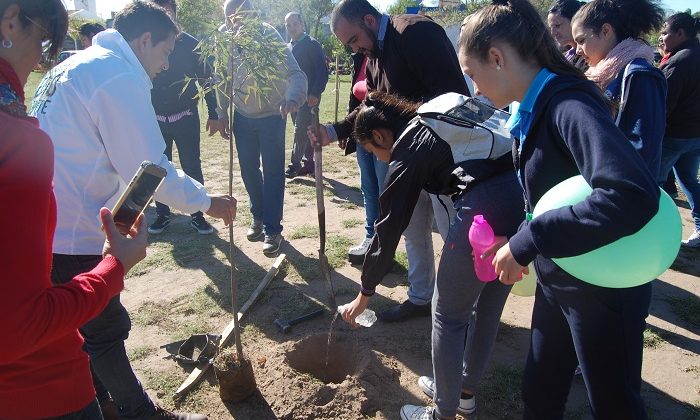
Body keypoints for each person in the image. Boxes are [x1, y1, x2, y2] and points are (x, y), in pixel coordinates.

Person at [32, 2, 237, 419]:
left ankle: (104, 403)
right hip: (73, 231)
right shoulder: (117, 76)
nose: (165, 65)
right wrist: (209, 203)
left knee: (83, 329)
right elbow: (149, 172)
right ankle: (139, 412)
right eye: (165, 52)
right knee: (104, 329)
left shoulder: (83, 64)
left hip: (48, 223)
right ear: (144, 40)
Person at [460, 1, 660, 418]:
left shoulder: (568, 105)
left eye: (473, 73)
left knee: (614, 405)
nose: (474, 88)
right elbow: (554, 192)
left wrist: (530, 239)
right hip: (562, 278)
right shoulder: (534, 106)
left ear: (497, 58)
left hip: (605, 289)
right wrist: (518, 239)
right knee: (540, 392)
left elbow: (631, 193)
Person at [330, 91, 523, 420]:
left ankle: (442, 413)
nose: (378, 159)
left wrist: (365, 293)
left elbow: (389, 226)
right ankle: (462, 393)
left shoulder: (411, 144)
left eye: (372, 151)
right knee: (486, 308)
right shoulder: (440, 107)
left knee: (447, 315)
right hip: (521, 195)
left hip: (483, 208)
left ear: (380, 135)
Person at [0, 0, 147, 418]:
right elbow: (20, 325)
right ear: (11, 20)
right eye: (44, 42)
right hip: (36, 390)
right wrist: (114, 268)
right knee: (105, 332)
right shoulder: (16, 143)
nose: (40, 63)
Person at [313, 0, 470, 322]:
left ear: (369, 19)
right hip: (406, 158)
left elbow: (450, 97)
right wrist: (334, 130)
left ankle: (464, 310)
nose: (355, 49)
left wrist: (405, 129)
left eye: (354, 39)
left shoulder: (417, 34)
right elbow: (372, 105)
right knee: (413, 231)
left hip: (441, 160)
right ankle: (421, 297)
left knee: (454, 237)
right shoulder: (373, 58)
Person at [219, 0, 307, 256]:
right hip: (242, 118)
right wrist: (221, 112)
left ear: (251, 16)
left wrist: (292, 99)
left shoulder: (268, 35)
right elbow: (222, 77)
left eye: (237, 17)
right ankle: (257, 215)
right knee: (248, 170)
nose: (232, 23)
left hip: (272, 115)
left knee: (273, 173)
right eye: (228, 18)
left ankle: (272, 228)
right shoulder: (225, 40)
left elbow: (295, 73)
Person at [147, 0, 224, 235]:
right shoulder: (146, 44)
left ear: (174, 14)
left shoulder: (191, 44)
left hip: (185, 117)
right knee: (156, 167)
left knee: (192, 165)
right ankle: (162, 213)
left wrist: (213, 113)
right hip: (156, 119)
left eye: (167, 12)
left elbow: (208, 79)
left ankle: (198, 214)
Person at [571, 0, 666, 177]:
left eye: (581, 40)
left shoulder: (640, 75)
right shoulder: (600, 73)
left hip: (624, 189)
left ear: (606, 31)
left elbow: (643, 148)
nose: (577, 50)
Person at [657, 12, 700, 248]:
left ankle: (652, 232)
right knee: (690, 182)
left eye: (665, 32)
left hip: (674, 136)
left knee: (652, 185)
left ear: (680, 33)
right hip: (696, 136)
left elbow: (663, 104)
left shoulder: (679, 61)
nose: (662, 37)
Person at [343, 52, 390, 264]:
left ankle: (384, 245)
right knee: (368, 188)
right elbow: (355, 95)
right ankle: (370, 237)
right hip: (360, 130)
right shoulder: (359, 57)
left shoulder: (385, 54)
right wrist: (345, 128)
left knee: (383, 190)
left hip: (383, 133)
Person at [284, 12, 328, 179]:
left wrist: (315, 93)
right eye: (288, 25)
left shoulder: (312, 44)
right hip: (293, 98)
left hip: (309, 97)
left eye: (294, 24)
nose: (292, 28)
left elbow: (322, 72)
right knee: (306, 130)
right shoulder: (287, 47)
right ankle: (309, 164)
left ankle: (293, 166)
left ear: (302, 24)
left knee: (300, 130)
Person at [547, 0, 587, 71]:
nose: (553, 33)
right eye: (551, 28)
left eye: (557, 25)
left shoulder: (590, 56)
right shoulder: (565, 57)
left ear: (574, 21)